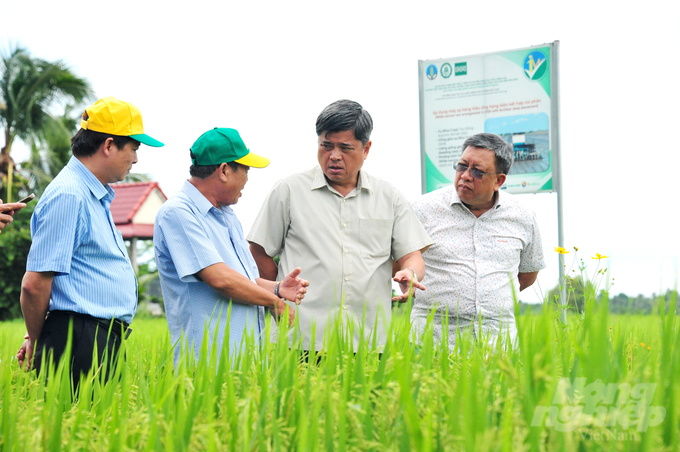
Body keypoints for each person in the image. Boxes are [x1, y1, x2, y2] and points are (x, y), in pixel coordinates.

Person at [248, 100, 432, 352]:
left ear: (366, 149)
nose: (334, 156)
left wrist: (409, 274)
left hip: (369, 341)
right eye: (326, 146)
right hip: (300, 338)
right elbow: (259, 252)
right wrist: (275, 298)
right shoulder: (289, 190)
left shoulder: (388, 196)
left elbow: (412, 256)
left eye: (345, 148)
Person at [17, 97, 164, 387]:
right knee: (83, 427)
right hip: (79, 340)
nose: (135, 159)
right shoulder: (70, 195)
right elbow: (34, 284)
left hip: (96, 338)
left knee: (100, 430)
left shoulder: (91, 195)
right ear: (109, 145)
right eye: (134, 149)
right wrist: (37, 341)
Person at [154, 128, 309, 365]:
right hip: (206, 364)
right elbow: (221, 279)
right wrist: (273, 302)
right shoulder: (178, 213)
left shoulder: (227, 216)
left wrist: (277, 288)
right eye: (246, 169)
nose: (247, 178)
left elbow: (244, 279)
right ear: (224, 170)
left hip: (244, 360)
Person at [410, 133, 546, 349]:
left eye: (477, 172)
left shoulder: (522, 216)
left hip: (498, 346)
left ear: (499, 180)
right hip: (432, 343)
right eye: (462, 166)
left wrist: (489, 295)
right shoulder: (422, 210)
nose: (465, 175)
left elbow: (528, 274)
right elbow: (401, 263)